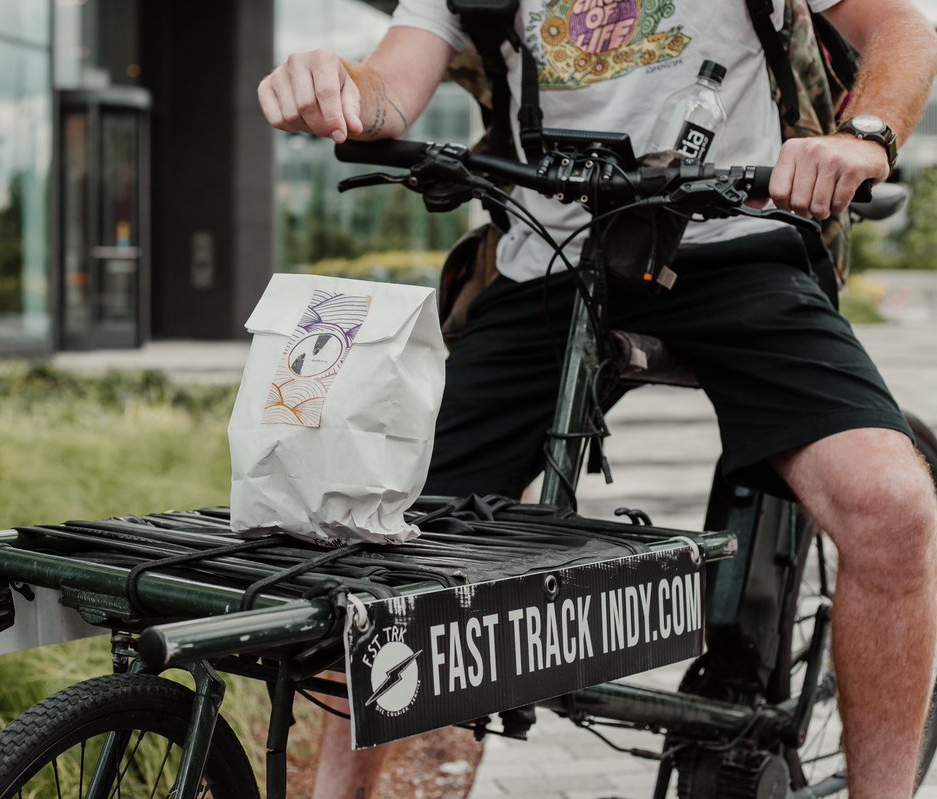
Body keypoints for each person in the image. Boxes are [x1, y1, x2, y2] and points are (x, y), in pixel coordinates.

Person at [258, 1, 937, 797]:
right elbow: (387, 92)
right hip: (546, 259)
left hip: (738, 247)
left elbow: (901, 27)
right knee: (384, 535)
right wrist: (333, 82)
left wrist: (865, 134)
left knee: (894, 509)